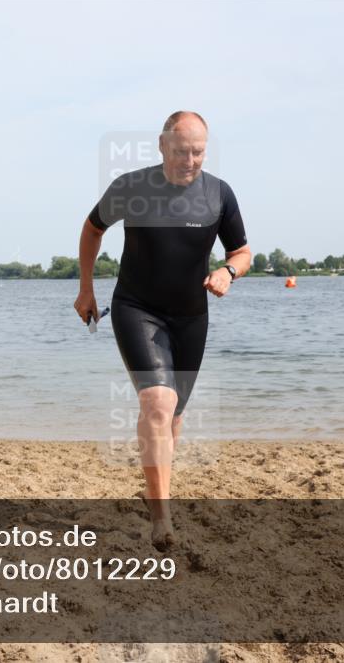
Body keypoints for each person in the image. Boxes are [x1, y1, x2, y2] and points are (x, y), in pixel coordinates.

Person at [75, 111, 252, 551]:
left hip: (190, 317)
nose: (189, 161)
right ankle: (162, 519)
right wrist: (86, 289)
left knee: (173, 416)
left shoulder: (219, 194)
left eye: (198, 152)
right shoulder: (132, 187)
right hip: (137, 308)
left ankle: (156, 492)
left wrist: (228, 271)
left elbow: (242, 251)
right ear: (161, 145)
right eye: (180, 151)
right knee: (157, 402)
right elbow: (92, 229)